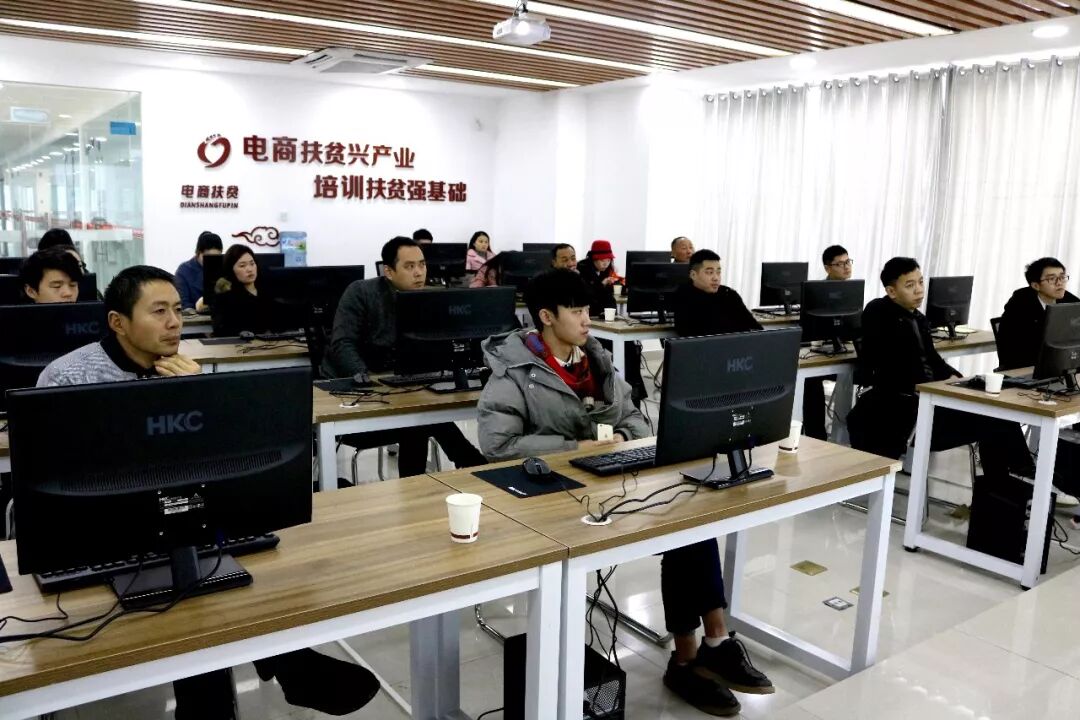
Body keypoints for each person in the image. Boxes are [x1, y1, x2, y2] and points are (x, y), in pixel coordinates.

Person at [38, 266, 380, 719]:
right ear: (118, 322)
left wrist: (197, 394)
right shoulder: (67, 378)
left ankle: (254, 679)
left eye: (177, 310)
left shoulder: (182, 368)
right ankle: (284, 665)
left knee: (217, 560)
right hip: (107, 530)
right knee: (194, 571)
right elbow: (69, 478)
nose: (174, 323)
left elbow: (223, 462)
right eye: (158, 312)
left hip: (186, 515)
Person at [478, 269, 772, 718]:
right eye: (576, 311)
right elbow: (497, 446)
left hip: (610, 481)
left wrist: (625, 440)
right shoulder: (515, 369)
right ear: (546, 317)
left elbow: (635, 417)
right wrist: (575, 449)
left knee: (689, 521)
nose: (587, 320)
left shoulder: (595, 360)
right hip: (550, 497)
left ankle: (707, 647)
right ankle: (696, 656)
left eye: (587, 310)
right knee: (682, 527)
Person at [848, 258, 1034, 479]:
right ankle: (1018, 477)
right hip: (903, 411)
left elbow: (933, 359)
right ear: (891, 291)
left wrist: (957, 378)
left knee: (997, 414)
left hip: (928, 401)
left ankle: (1006, 483)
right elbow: (893, 366)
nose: (919, 290)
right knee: (994, 419)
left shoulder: (918, 318)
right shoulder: (878, 313)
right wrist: (937, 386)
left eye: (920, 282)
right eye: (910, 285)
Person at [323, 236, 487, 477]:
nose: (419, 273)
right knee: (419, 418)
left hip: (404, 387)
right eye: (409, 266)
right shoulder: (361, 292)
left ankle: (431, 478)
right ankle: (468, 462)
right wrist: (363, 375)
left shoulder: (428, 299)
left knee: (420, 413)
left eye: (422, 264)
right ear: (389, 271)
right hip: (358, 394)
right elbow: (342, 343)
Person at [802, 245, 855, 440]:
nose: (846, 267)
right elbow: (809, 330)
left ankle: (849, 434)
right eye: (840, 264)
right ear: (827, 268)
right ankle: (815, 436)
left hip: (847, 350)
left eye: (848, 262)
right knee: (811, 379)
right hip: (822, 353)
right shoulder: (817, 293)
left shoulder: (853, 291)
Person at [997, 257, 1079, 371]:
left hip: (1062, 366)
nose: (1059, 283)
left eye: (1062, 277)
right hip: (1024, 367)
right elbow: (1014, 346)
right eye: (1052, 279)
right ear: (1036, 285)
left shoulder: (1071, 301)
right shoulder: (1019, 304)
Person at [673, 250, 762, 337]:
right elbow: (692, 335)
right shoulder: (683, 297)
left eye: (718, 272)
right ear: (693, 275)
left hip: (739, 344)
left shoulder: (729, 294)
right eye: (710, 272)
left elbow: (755, 327)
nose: (716, 278)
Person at [211, 244, 276, 336]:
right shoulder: (225, 297)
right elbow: (220, 329)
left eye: (252, 264)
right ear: (231, 270)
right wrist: (242, 333)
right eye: (242, 266)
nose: (249, 269)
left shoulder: (266, 292)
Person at [174, 231, 224, 311]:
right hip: (195, 316)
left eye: (216, 257)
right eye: (208, 257)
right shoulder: (183, 271)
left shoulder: (224, 267)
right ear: (198, 253)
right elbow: (183, 304)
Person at [577, 240, 622, 317]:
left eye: (608, 260)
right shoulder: (583, 269)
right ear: (593, 259)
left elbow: (608, 295)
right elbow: (587, 294)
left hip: (603, 313)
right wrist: (602, 284)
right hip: (588, 312)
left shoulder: (606, 270)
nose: (606, 264)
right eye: (602, 260)